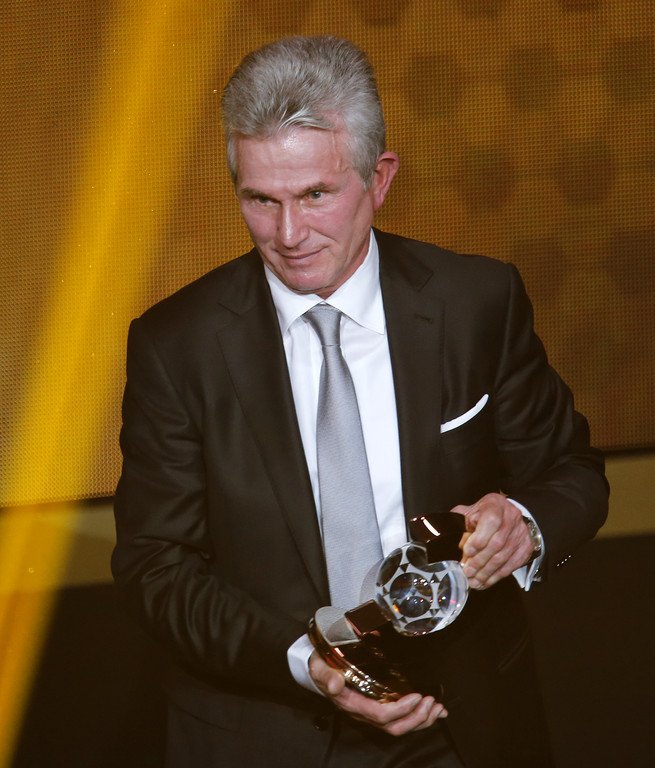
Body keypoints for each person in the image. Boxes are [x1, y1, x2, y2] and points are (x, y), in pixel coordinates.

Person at [112, 35, 608, 768]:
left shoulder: (476, 301)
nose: (288, 235)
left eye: (315, 195)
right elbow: (156, 565)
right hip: (265, 731)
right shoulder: (174, 345)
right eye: (260, 200)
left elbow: (573, 474)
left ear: (379, 178)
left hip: (461, 723)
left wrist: (524, 527)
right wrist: (307, 662)